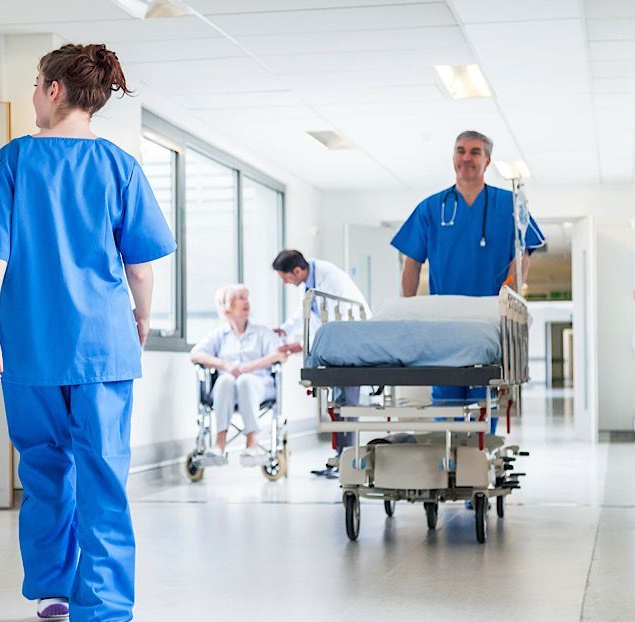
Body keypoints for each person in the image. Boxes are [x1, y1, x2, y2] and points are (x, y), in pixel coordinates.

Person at [0, 44, 175, 622]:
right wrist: (140, 319)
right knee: (102, 473)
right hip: (103, 346)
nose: (33, 94)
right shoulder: (119, 166)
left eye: (36, 83)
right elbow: (140, 267)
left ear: (55, 90)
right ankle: (101, 610)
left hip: (30, 344)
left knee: (44, 466)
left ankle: (53, 587)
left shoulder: (13, 160)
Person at [391, 130, 545, 480]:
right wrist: (407, 311)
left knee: (482, 402)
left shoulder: (510, 205)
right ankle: (447, 470)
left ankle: (476, 470)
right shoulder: (432, 207)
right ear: (453, 158)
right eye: (460, 151)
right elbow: (411, 263)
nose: (466, 158)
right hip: (445, 323)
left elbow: (523, 255)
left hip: (487, 321)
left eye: (475, 152)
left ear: (487, 161)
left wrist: (508, 295)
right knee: (446, 403)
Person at [272, 250, 370, 479]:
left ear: (297, 271)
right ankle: (340, 458)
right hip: (338, 347)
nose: (286, 283)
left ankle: (347, 461)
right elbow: (307, 311)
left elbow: (332, 322)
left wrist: (301, 346)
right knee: (339, 406)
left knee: (347, 406)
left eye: (286, 278)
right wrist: (285, 330)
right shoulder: (311, 281)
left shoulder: (330, 280)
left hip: (351, 345)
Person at [189, 285, 290, 465]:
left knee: (245, 380)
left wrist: (249, 367)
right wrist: (225, 365)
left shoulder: (262, 333)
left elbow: (281, 354)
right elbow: (195, 354)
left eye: (247, 298)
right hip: (226, 391)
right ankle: (219, 444)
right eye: (241, 298)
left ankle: (252, 443)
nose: (247, 302)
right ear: (227, 305)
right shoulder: (219, 335)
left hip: (258, 386)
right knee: (225, 380)